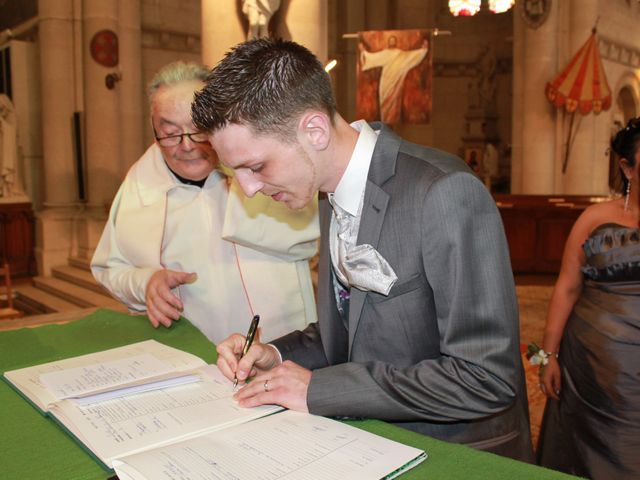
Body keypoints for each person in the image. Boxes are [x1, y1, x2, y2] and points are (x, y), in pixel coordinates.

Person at [191, 38, 533, 461]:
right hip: (373, 446)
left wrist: (322, 389)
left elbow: (485, 378)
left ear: (314, 131)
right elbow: (356, 332)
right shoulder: (324, 197)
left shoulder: (443, 192)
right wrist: (275, 354)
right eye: (234, 172)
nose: (248, 189)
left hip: (454, 452)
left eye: (256, 166)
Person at [91, 61, 319, 344]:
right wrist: (146, 283)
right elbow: (110, 269)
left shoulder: (262, 169)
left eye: (199, 129)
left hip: (280, 346)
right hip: (188, 355)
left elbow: (307, 237)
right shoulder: (140, 184)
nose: (187, 146)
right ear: (153, 127)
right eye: (171, 132)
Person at [537, 118, 640, 479]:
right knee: (595, 446)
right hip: (596, 362)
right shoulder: (594, 219)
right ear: (627, 168)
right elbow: (567, 288)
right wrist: (548, 356)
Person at [359, 35, 429, 124]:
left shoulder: (400, 54)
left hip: (396, 81)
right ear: (389, 42)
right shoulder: (385, 54)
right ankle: (385, 121)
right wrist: (364, 52)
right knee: (384, 102)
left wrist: (422, 51)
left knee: (395, 102)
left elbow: (411, 56)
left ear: (395, 42)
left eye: (393, 40)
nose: (392, 42)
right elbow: (373, 58)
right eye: (390, 40)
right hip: (385, 81)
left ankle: (393, 123)